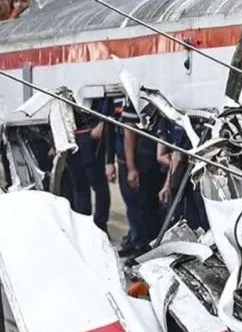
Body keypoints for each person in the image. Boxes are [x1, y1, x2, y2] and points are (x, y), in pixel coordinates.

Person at [105, 98, 164, 257]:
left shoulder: (138, 98)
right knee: (134, 206)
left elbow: (129, 133)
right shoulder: (123, 98)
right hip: (129, 161)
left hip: (142, 163)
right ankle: (137, 242)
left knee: (144, 208)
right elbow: (114, 130)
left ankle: (145, 249)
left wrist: (132, 168)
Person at [155, 119, 209, 234]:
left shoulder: (186, 119)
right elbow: (175, 157)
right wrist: (167, 184)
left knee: (195, 222)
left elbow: (176, 157)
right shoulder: (184, 120)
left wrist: (169, 184)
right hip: (191, 177)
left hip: (196, 179)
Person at [65, 99, 111, 232]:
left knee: (98, 184)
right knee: (79, 186)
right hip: (72, 135)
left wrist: (103, 121)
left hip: (90, 133)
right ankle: (83, 225)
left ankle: (100, 225)